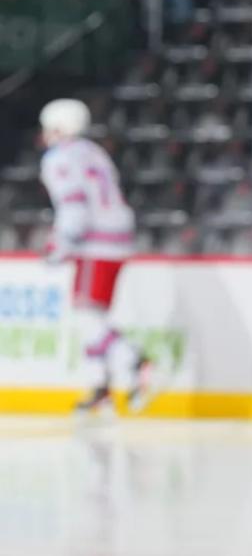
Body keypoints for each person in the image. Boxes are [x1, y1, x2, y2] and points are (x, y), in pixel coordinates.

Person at [38, 99, 152, 415]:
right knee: (93, 317)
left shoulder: (59, 158)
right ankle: (99, 386)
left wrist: (61, 244)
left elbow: (74, 204)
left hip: (94, 242)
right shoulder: (94, 151)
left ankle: (133, 360)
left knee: (87, 315)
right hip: (117, 238)